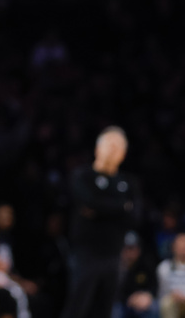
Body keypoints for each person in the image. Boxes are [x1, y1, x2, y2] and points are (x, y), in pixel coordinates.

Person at [61, 126, 139, 318]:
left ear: (124, 154)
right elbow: (87, 201)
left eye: (118, 146)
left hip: (114, 255)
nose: (113, 149)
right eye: (109, 144)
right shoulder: (82, 175)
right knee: (77, 309)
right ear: (97, 149)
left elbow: (135, 217)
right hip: (85, 254)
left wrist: (98, 210)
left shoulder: (129, 182)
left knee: (105, 311)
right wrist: (121, 207)